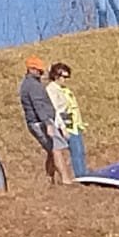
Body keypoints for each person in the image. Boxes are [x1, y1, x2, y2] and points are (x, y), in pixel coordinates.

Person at [20, 55, 73, 184]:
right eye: (39, 70)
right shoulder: (33, 86)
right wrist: (48, 123)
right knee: (56, 148)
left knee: (51, 150)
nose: (41, 72)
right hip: (41, 122)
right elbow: (39, 106)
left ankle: (50, 179)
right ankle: (65, 179)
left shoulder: (31, 84)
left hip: (41, 121)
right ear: (31, 69)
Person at [47, 62, 90, 177]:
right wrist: (63, 128)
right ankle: (80, 175)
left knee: (80, 151)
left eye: (67, 77)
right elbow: (55, 110)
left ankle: (83, 173)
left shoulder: (64, 89)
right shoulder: (51, 90)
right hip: (65, 126)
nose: (65, 80)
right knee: (75, 151)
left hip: (74, 125)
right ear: (56, 76)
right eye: (64, 77)